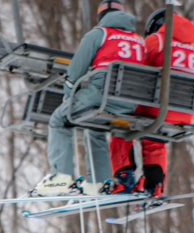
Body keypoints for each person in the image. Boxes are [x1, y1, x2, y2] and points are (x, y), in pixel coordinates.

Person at [31, 0, 145, 197]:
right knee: (94, 128)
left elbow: (75, 71)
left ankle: (60, 177)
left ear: (101, 17)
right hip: (129, 103)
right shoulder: (139, 40)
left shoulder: (99, 34)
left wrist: (68, 97)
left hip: (100, 96)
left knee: (59, 120)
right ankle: (98, 183)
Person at [108, 7, 194, 196]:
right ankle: (155, 186)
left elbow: (135, 64)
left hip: (156, 109)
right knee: (155, 140)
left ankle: (124, 178)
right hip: (184, 113)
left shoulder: (157, 41)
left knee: (119, 125)